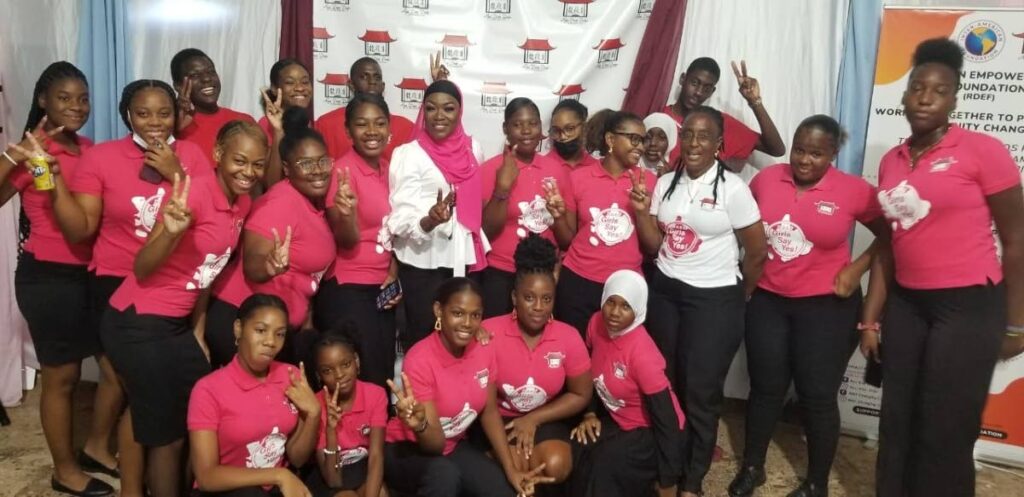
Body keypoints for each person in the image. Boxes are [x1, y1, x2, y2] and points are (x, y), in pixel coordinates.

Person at [861, 38, 1024, 497]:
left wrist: (1016, 322)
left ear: (955, 97)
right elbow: (892, 244)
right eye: (917, 87)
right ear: (906, 94)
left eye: (939, 89)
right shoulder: (892, 161)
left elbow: (1017, 240)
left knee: (945, 426)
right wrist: (871, 317)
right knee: (897, 420)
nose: (926, 97)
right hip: (909, 305)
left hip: (969, 305)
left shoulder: (982, 151)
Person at [48, 78, 214, 497]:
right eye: (143, 113)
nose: (155, 122)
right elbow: (82, 227)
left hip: (173, 286)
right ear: (127, 116)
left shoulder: (192, 153)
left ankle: (123, 466)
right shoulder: (102, 158)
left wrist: (177, 172)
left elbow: (208, 214)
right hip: (117, 284)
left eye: (164, 112)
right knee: (139, 390)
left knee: (146, 394)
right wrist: (49, 181)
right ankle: (131, 481)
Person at [100, 118, 265, 497]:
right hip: (137, 321)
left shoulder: (240, 202)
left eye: (258, 165)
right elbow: (142, 267)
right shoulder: (193, 193)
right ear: (219, 155)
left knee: (188, 420)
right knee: (169, 436)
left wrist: (198, 331)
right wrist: (171, 234)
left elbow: (205, 275)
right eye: (240, 161)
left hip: (175, 325)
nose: (249, 172)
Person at [728, 115, 886, 497]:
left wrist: (857, 268)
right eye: (799, 149)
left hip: (827, 308)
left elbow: (893, 235)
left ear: (833, 154)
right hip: (768, 300)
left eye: (816, 153)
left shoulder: (852, 190)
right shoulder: (766, 180)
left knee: (817, 396)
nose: (804, 159)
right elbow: (743, 225)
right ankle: (753, 467)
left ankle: (816, 483)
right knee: (765, 389)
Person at [632, 106, 767, 496]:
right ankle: (668, 474)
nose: (693, 143)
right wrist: (642, 215)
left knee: (701, 394)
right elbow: (656, 245)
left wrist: (737, 296)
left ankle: (692, 483)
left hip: (715, 300)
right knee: (668, 386)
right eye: (688, 134)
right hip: (667, 293)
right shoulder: (665, 184)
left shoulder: (733, 189)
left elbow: (756, 253)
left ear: (719, 145)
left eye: (703, 136)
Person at [1, 61, 120, 497]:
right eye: (65, 98)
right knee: (62, 377)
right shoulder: (32, 150)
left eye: (83, 98)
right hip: (48, 278)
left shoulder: (90, 150)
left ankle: (95, 446)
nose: (76, 106)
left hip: (93, 274)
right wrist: (20, 153)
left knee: (117, 368)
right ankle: (64, 471)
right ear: (43, 102)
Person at [383, 277, 552, 497]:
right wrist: (422, 424)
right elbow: (433, 446)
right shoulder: (420, 358)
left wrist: (511, 471)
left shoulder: (484, 349)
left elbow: (490, 412)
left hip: (452, 446)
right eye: (457, 313)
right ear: (438, 310)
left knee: (506, 492)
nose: (467, 323)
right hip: (407, 448)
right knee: (444, 475)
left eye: (475, 315)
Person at [208, 107, 334, 367]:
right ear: (287, 168)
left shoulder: (308, 201)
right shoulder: (281, 203)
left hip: (277, 328)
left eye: (323, 161)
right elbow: (253, 265)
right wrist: (268, 266)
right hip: (244, 321)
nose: (318, 170)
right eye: (306, 164)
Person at [482, 235, 592, 489]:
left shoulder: (568, 336)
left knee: (555, 464)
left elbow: (581, 393)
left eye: (546, 299)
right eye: (529, 298)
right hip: (499, 420)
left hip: (546, 417)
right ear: (514, 297)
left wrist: (533, 419)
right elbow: (484, 404)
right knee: (515, 467)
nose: (538, 307)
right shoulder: (489, 332)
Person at [386, 80, 487, 352]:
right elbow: (400, 214)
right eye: (431, 108)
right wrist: (429, 220)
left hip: (462, 258)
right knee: (423, 337)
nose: (439, 116)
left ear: (460, 112)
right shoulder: (409, 154)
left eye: (449, 108)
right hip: (424, 262)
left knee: (460, 339)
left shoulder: (472, 148)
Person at [188, 294, 320, 497]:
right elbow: (206, 477)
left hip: (273, 488)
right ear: (238, 329)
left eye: (280, 334)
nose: (270, 342)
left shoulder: (290, 375)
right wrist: (278, 475)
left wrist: (313, 414)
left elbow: (297, 458)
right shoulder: (208, 390)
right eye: (260, 330)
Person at [569, 270, 683, 497]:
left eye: (625, 306)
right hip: (619, 422)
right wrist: (590, 414)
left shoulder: (642, 354)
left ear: (638, 310)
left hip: (651, 432)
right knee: (577, 445)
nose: (614, 313)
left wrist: (668, 479)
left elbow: (666, 419)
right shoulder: (595, 324)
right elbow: (587, 370)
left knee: (604, 464)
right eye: (611, 302)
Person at [314, 92, 401, 389]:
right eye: (362, 124)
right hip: (349, 288)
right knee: (363, 379)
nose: (372, 131)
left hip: (381, 288)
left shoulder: (391, 169)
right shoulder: (342, 172)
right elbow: (346, 240)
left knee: (383, 374)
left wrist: (394, 272)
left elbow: (395, 230)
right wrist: (347, 213)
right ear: (348, 130)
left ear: (389, 128)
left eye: (379, 123)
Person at [548, 111, 657, 337]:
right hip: (579, 282)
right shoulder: (579, 178)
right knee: (576, 355)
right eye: (633, 139)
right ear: (610, 140)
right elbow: (567, 239)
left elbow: (653, 247)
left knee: (616, 362)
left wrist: (642, 213)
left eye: (643, 140)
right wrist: (558, 216)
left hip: (625, 287)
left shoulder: (650, 182)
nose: (641, 146)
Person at [480, 97, 570, 318]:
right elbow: (485, 233)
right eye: (517, 124)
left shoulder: (556, 170)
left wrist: (558, 217)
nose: (526, 130)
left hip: (543, 275)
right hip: (500, 273)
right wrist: (502, 188)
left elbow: (567, 239)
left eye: (533, 123)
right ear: (505, 128)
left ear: (541, 127)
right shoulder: (489, 169)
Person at [306, 326, 387, 497]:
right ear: (319, 376)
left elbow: (376, 457)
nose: (339, 375)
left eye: (346, 364)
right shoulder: (314, 405)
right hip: (330, 474)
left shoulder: (376, 395)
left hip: (363, 468)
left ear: (356, 361)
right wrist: (330, 429)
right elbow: (332, 479)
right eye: (328, 371)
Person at [663, 57, 785, 169]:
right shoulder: (660, 118)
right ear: (682, 79)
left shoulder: (717, 123)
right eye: (694, 83)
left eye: (706, 88)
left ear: (712, 91)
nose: (698, 92)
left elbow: (776, 149)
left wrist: (755, 102)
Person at [315, 57, 415, 162]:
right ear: (351, 85)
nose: (372, 82)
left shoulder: (406, 127)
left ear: (383, 86)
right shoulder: (326, 124)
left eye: (377, 78)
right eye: (364, 77)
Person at [171, 48, 255, 162]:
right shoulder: (171, 127)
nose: (206, 79)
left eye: (211, 72)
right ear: (178, 86)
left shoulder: (244, 121)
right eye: (195, 75)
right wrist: (174, 130)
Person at [260, 58, 313, 186]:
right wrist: (278, 132)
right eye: (290, 82)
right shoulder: (264, 126)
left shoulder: (309, 124)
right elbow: (270, 184)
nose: (300, 88)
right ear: (274, 89)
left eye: (305, 82)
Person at [544, 99, 599, 174]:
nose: (563, 137)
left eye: (569, 129)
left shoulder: (595, 167)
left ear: (584, 127)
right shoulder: (543, 166)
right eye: (556, 130)